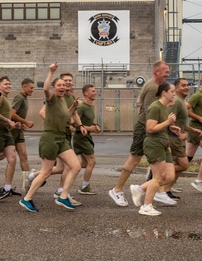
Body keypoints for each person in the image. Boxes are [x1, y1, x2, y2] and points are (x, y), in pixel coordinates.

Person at [20, 63, 81, 212]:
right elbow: (46, 88)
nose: (62, 87)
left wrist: (73, 106)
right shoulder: (52, 98)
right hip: (50, 139)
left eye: (63, 85)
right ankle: (26, 199)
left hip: (61, 139)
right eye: (59, 85)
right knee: (46, 172)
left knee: (75, 166)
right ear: (55, 88)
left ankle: (63, 196)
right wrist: (51, 72)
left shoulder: (62, 101)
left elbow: (66, 115)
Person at [109, 60, 169, 206]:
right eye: (166, 71)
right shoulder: (152, 87)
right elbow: (150, 113)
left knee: (159, 160)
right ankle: (117, 190)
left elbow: (138, 101)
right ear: (157, 72)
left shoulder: (153, 85)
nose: (168, 73)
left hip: (148, 126)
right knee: (134, 159)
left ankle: (157, 191)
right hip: (145, 128)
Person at [129, 82, 180, 216]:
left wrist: (170, 127)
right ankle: (146, 206)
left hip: (164, 144)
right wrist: (168, 122)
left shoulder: (165, 107)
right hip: (154, 144)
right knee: (158, 177)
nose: (174, 93)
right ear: (164, 92)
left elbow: (160, 125)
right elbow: (150, 128)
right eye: (172, 91)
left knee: (169, 176)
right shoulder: (155, 107)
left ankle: (139, 189)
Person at [73, 84, 102, 195]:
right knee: (92, 161)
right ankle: (85, 187)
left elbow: (88, 122)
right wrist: (89, 128)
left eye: (95, 91)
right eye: (93, 91)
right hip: (80, 138)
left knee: (84, 163)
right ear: (86, 93)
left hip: (87, 137)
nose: (95, 93)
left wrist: (96, 126)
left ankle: (67, 169)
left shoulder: (91, 107)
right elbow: (73, 123)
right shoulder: (82, 107)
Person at [10, 78, 36, 191]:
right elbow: (12, 113)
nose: (32, 90)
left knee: (23, 156)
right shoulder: (19, 98)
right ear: (24, 87)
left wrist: (22, 124)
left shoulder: (24, 98)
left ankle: (27, 184)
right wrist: (25, 122)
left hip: (18, 131)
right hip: (11, 132)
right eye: (31, 88)